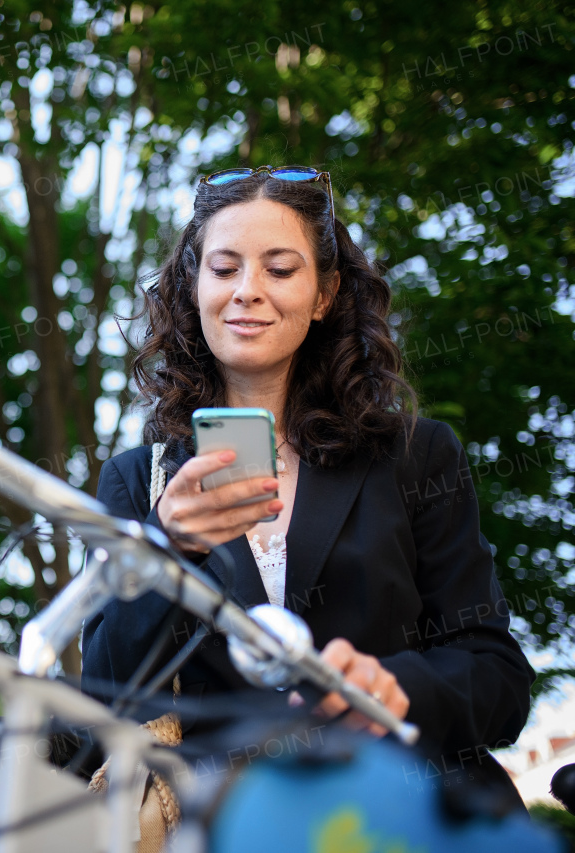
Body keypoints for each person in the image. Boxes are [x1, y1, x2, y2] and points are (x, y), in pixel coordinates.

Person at [81, 165, 534, 807]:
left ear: (324, 295)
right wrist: (166, 547)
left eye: (280, 269)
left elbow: (500, 682)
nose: (247, 291)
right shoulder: (138, 481)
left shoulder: (415, 455)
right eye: (224, 267)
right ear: (193, 287)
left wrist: (398, 686)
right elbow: (105, 699)